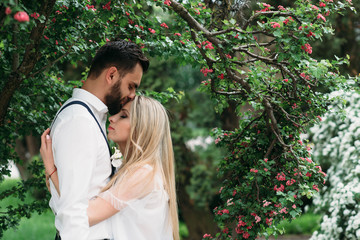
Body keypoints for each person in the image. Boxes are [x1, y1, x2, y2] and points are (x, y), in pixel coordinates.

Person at [46, 40, 149, 240]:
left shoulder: (91, 117)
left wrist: (51, 172)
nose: (132, 95)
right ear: (111, 75)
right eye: (131, 86)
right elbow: (72, 211)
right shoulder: (79, 121)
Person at [40, 96, 179, 240]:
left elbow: (85, 214)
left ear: (141, 128)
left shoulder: (143, 173)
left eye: (123, 116)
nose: (112, 118)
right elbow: (65, 199)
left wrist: (51, 168)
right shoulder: (129, 169)